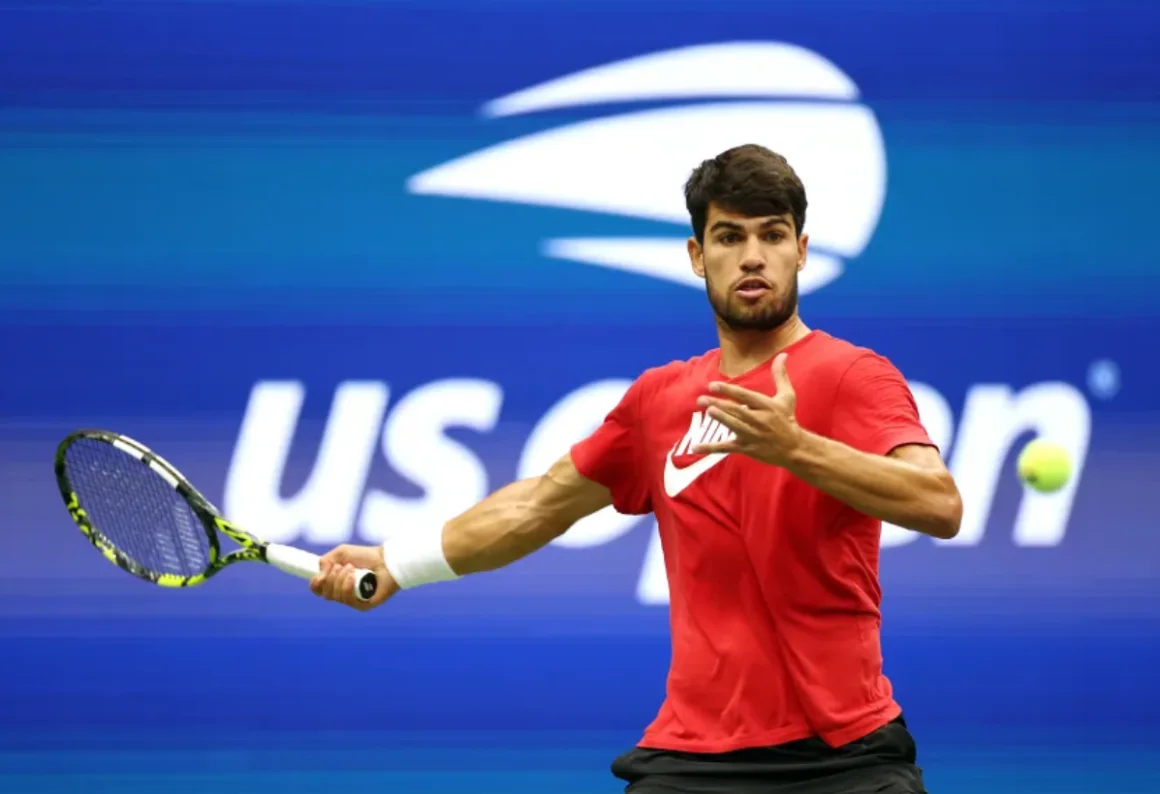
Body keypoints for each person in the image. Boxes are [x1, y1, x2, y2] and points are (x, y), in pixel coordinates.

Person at [309, 143, 963, 793]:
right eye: (729, 236)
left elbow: (939, 503)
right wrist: (396, 563)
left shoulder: (854, 375)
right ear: (696, 255)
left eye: (773, 235)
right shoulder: (660, 400)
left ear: (802, 250)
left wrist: (794, 447)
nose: (754, 255)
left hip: (844, 757)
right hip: (691, 759)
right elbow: (538, 505)